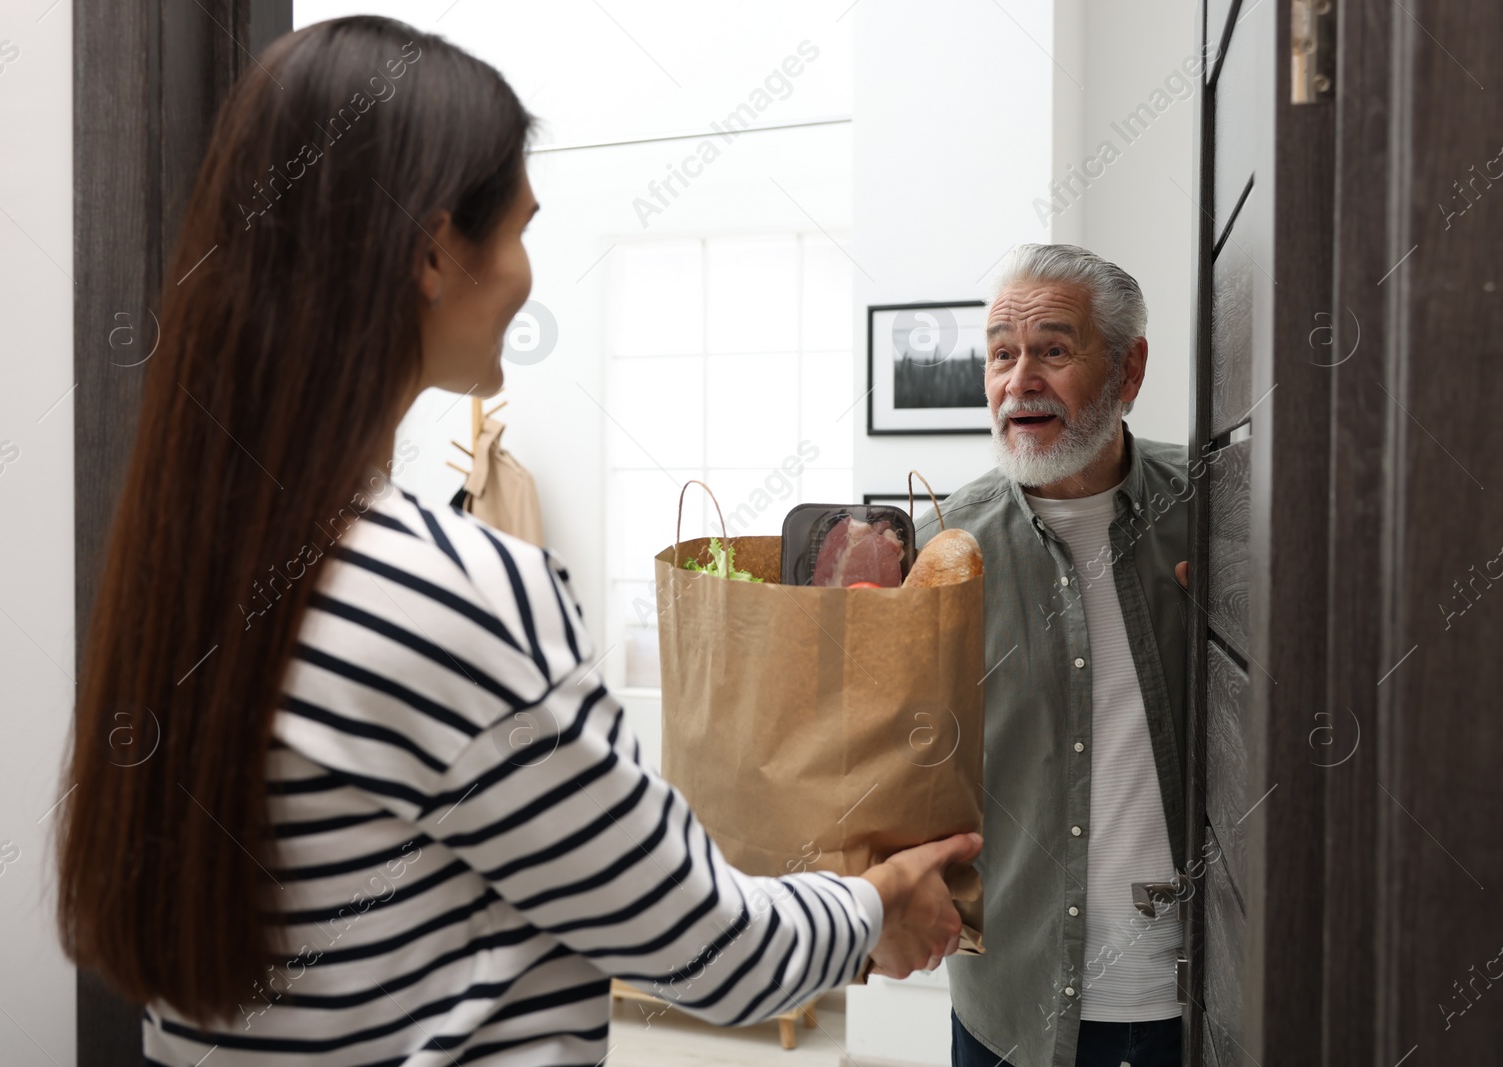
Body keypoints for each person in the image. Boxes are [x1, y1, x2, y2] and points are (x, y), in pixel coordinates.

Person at [53, 16, 977, 1066]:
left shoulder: (189, 570)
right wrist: (872, 902)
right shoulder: (446, 590)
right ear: (434, 250)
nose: (530, 273)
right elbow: (706, 945)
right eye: (521, 229)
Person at [915, 245, 1192, 1067]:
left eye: (1054, 350)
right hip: (1013, 999)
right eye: (1001, 353)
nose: (1019, 380)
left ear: (1129, 369)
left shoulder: (1215, 510)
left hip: (1196, 993)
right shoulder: (939, 543)